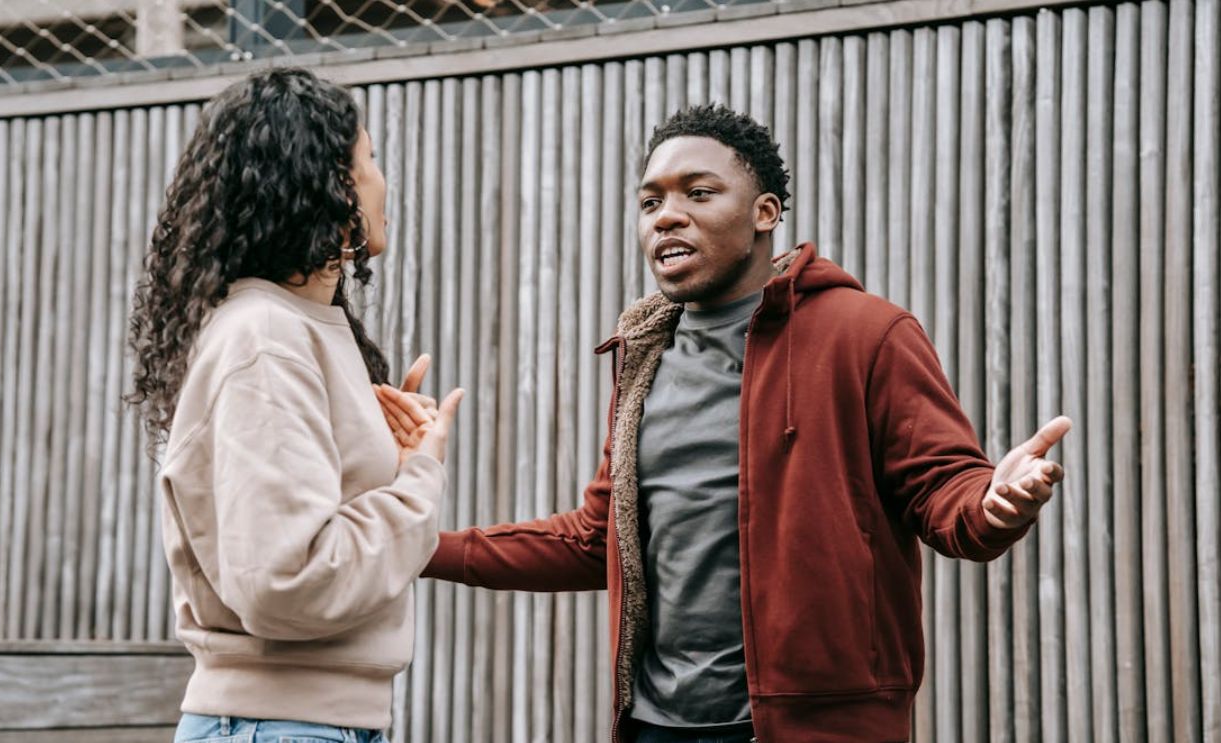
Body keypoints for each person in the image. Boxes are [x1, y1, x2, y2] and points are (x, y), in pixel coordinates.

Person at [395, 104, 1070, 743]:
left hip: (817, 727)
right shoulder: (643, 353)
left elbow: (943, 493)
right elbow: (599, 538)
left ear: (764, 213)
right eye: (650, 202)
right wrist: (408, 545)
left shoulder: (865, 333)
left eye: (698, 193)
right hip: (658, 725)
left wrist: (992, 503)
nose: (667, 217)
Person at [126, 68, 462, 743]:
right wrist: (419, 480)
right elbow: (288, 581)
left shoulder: (298, 330)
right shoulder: (267, 339)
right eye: (367, 160)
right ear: (323, 183)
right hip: (278, 724)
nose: (381, 181)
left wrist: (393, 463)